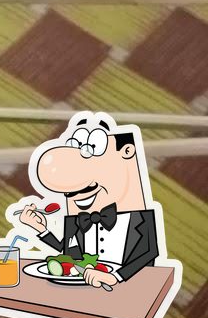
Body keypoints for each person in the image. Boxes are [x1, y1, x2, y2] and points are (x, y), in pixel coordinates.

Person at [18, 113, 159, 289]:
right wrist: (41, 229)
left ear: (127, 152)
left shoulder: (141, 218)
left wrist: (115, 277)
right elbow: (70, 255)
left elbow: (148, 253)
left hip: (133, 292)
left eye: (93, 149)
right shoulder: (77, 218)